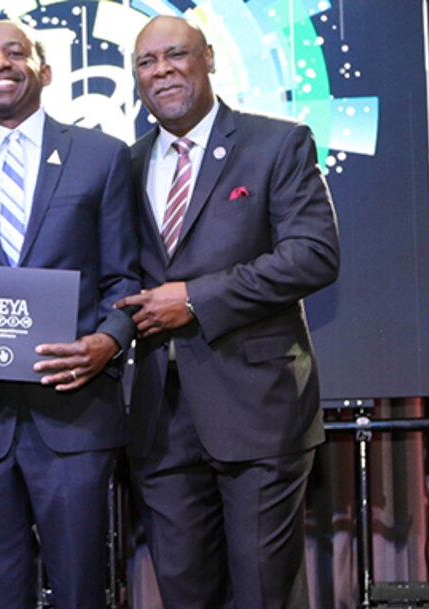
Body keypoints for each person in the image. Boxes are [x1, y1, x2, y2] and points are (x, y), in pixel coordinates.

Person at [116, 15, 341, 609]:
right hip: (159, 422)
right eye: (146, 62)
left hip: (259, 411)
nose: (161, 70)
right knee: (186, 595)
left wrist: (194, 299)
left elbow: (313, 256)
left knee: (266, 593)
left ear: (209, 57)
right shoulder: (126, 165)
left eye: (175, 55)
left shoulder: (277, 143)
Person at [0, 21, 141, 609]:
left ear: (44, 70)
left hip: (74, 416)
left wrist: (109, 342)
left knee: (81, 589)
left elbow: (124, 277)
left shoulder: (102, 158)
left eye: (15, 52)